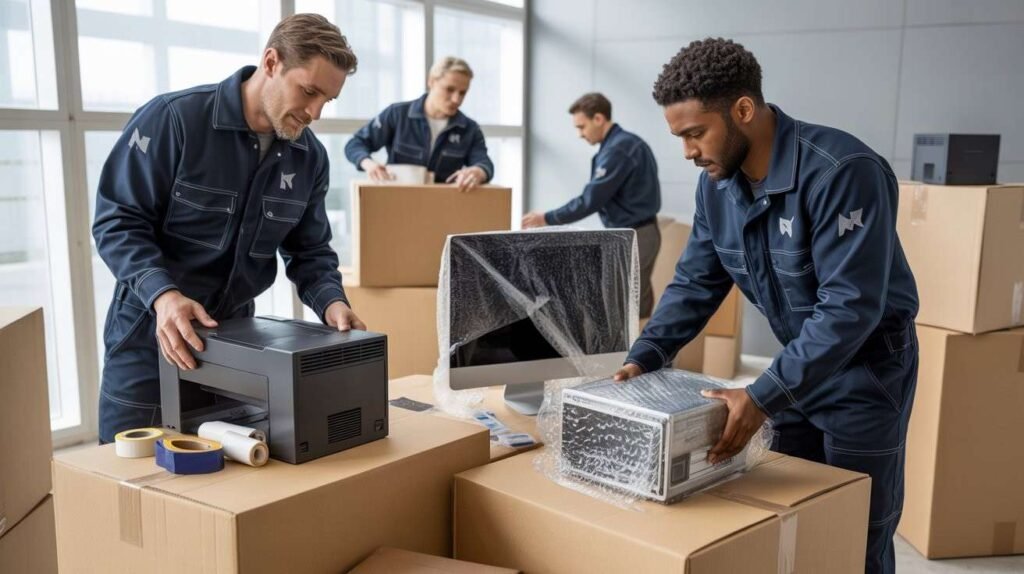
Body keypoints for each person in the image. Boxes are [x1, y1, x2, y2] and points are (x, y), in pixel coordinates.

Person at [613, 38, 919, 574]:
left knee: (857, 534)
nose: (687, 151)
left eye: (695, 133)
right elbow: (694, 282)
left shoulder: (843, 172)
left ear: (744, 110)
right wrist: (645, 356)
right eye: (679, 136)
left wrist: (762, 394)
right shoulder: (718, 186)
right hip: (796, 370)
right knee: (791, 523)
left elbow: (850, 308)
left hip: (865, 376)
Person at [92, 14, 365, 443]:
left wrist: (332, 303)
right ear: (271, 62)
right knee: (127, 484)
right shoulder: (173, 120)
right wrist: (164, 297)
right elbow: (117, 220)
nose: (314, 113)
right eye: (309, 92)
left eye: (326, 101)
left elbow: (310, 250)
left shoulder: (309, 158)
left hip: (234, 351)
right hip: (147, 338)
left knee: (220, 483)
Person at [521, 93, 662, 317]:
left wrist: (545, 218)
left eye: (581, 127)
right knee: (634, 299)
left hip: (638, 234)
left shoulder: (619, 149)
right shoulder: (621, 144)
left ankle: (641, 351)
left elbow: (590, 200)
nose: (580, 134)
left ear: (598, 118)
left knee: (627, 305)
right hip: (635, 232)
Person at [344, 57, 493, 191]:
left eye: (462, 93)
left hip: (443, 210)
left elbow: (484, 163)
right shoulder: (397, 114)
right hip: (397, 205)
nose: (456, 99)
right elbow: (355, 144)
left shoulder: (469, 129)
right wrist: (369, 164)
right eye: (450, 89)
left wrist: (478, 171)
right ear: (431, 82)